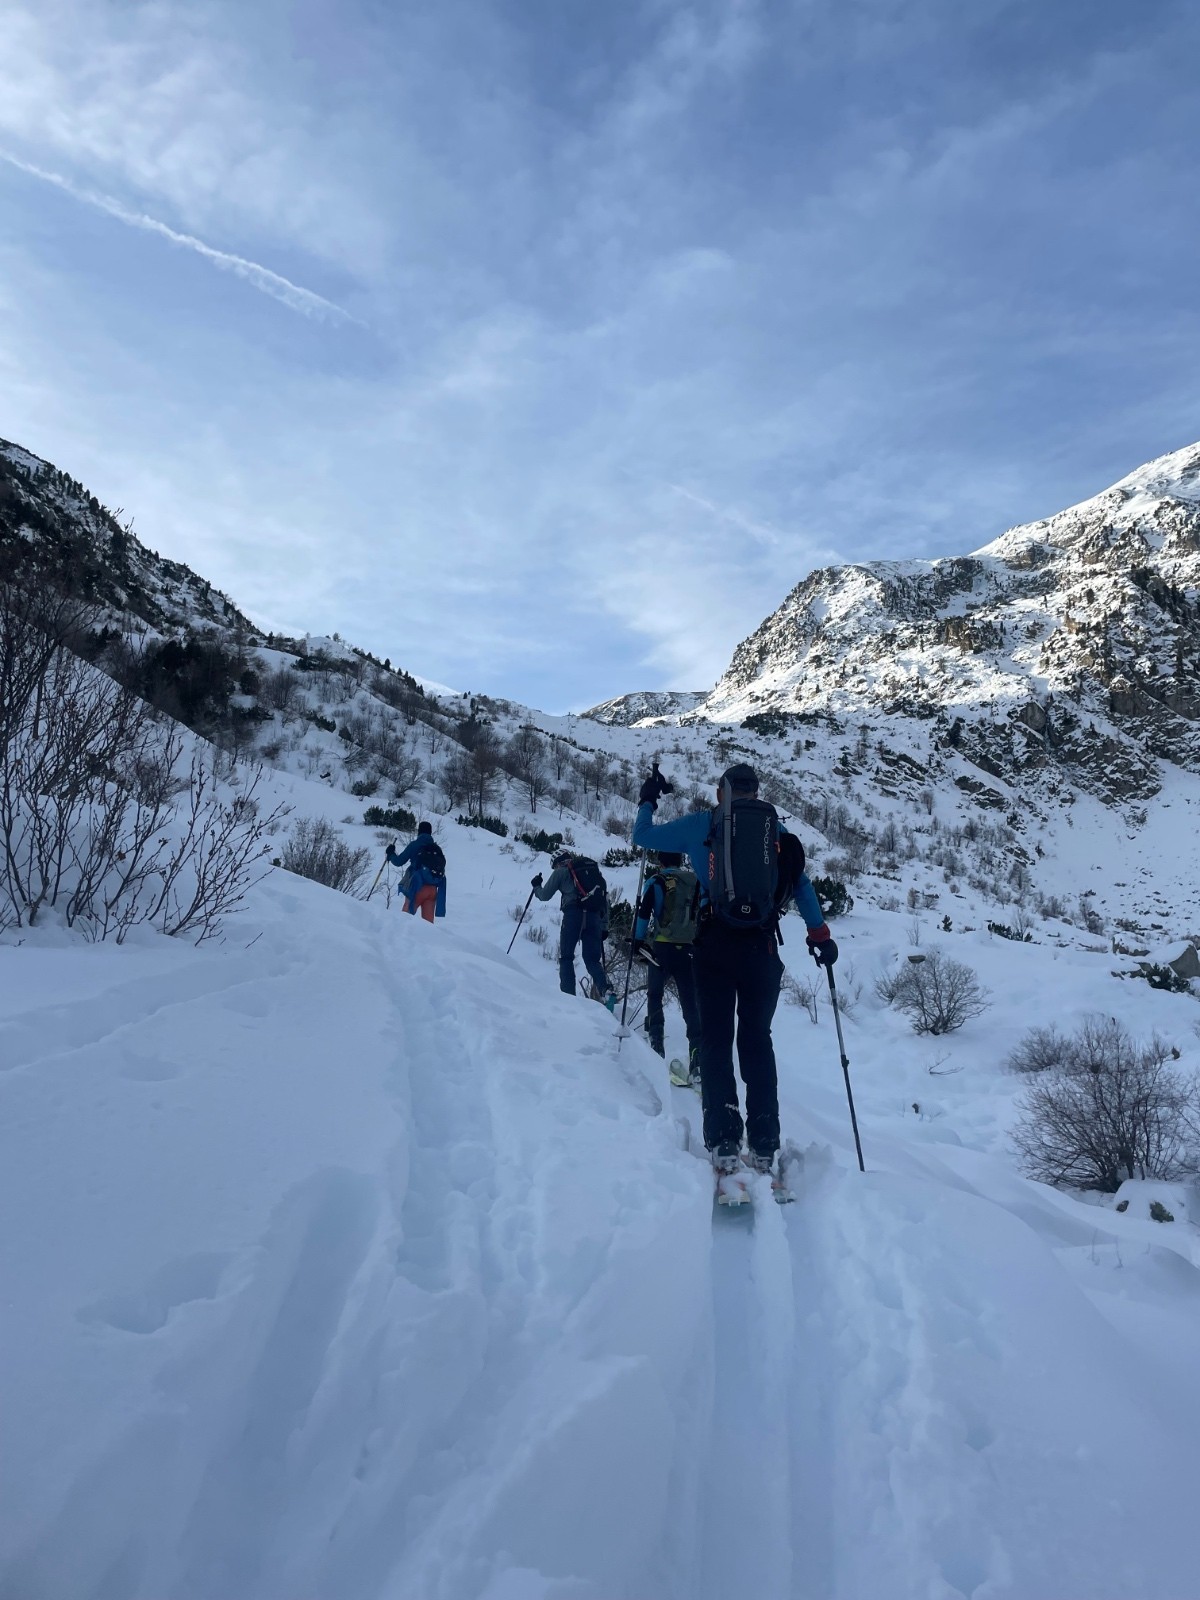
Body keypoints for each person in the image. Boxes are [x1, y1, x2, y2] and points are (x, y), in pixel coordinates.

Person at [632, 762, 837, 1174]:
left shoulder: (701, 825)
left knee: (715, 1040)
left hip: (713, 948)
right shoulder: (775, 834)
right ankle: (764, 1143)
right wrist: (820, 937)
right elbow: (802, 886)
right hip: (761, 951)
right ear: (755, 792)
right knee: (757, 1040)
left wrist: (648, 798)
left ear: (720, 793)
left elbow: (642, 837)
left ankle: (724, 1140)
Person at [633, 852, 703, 1086]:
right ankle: (697, 1058)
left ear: (661, 862)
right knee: (691, 1003)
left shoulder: (656, 882)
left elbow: (644, 913)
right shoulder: (695, 881)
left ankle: (656, 1046)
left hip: (661, 947)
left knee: (655, 995)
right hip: (689, 949)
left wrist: (638, 941)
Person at [531, 848, 617, 1010]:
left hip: (573, 915)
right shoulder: (592, 873)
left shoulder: (561, 872)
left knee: (566, 957)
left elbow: (544, 896)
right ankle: (607, 990)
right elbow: (604, 900)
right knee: (592, 960)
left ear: (557, 862)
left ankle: (568, 998)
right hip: (594, 917)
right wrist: (604, 926)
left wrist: (536, 886)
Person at [386, 822, 447, 923]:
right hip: (433, 890)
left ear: (419, 832)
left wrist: (391, 854)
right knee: (428, 925)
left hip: (418, 887)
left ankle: (400, 939)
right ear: (430, 833)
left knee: (404, 921)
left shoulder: (414, 845)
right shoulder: (437, 849)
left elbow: (398, 862)